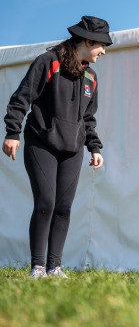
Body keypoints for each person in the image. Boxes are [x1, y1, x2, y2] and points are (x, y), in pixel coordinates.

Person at [2, 16, 111, 279]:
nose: (104, 51)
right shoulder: (48, 62)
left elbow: (88, 118)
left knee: (63, 207)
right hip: (41, 143)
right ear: (87, 41)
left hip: (72, 148)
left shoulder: (91, 78)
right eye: (101, 45)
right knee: (46, 203)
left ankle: (55, 267)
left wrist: (95, 147)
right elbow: (22, 97)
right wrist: (13, 132)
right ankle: (38, 267)